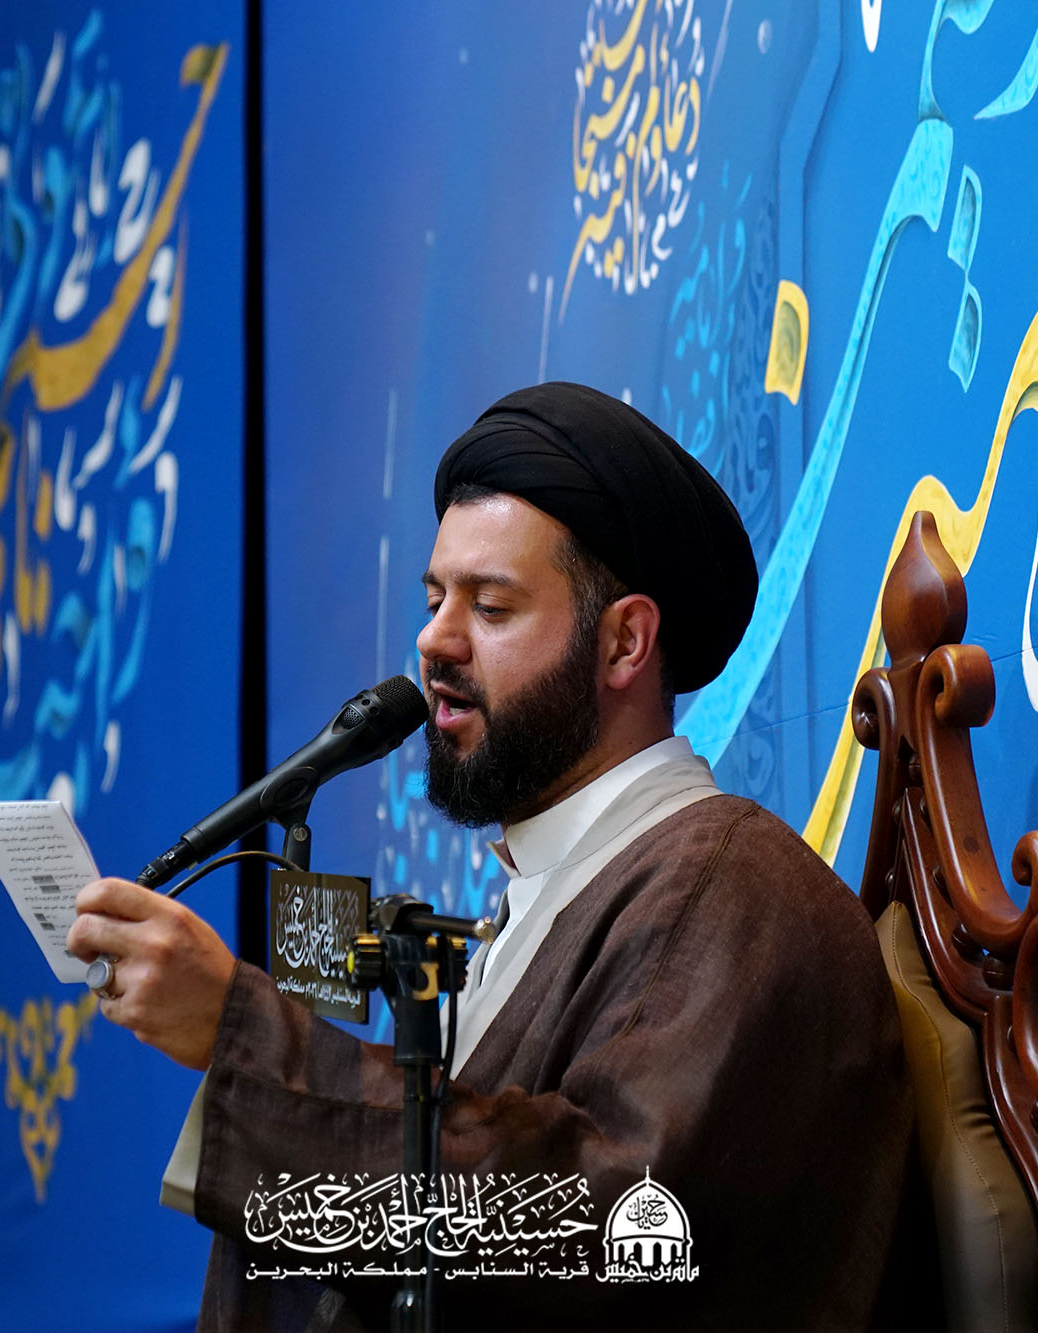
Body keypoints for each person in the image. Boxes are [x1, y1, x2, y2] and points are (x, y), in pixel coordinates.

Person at [68, 382, 911, 1330]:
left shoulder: (734, 890)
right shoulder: (560, 888)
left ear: (625, 641)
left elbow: (599, 1227)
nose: (434, 639)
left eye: (492, 606)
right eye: (435, 598)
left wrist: (246, 1031)